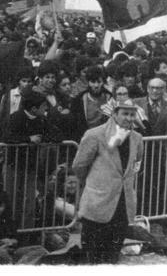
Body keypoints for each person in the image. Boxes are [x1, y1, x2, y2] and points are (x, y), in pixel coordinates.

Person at [71, 98, 143, 264]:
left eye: (133, 114)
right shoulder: (95, 134)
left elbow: (135, 166)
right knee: (93, 255)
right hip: (98, 203)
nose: (129, 118)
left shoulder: (137, 138)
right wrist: (94, 183)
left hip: (122, 205)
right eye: (125, 114)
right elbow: (79, 166)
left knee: (112, 256)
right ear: (114, 114)